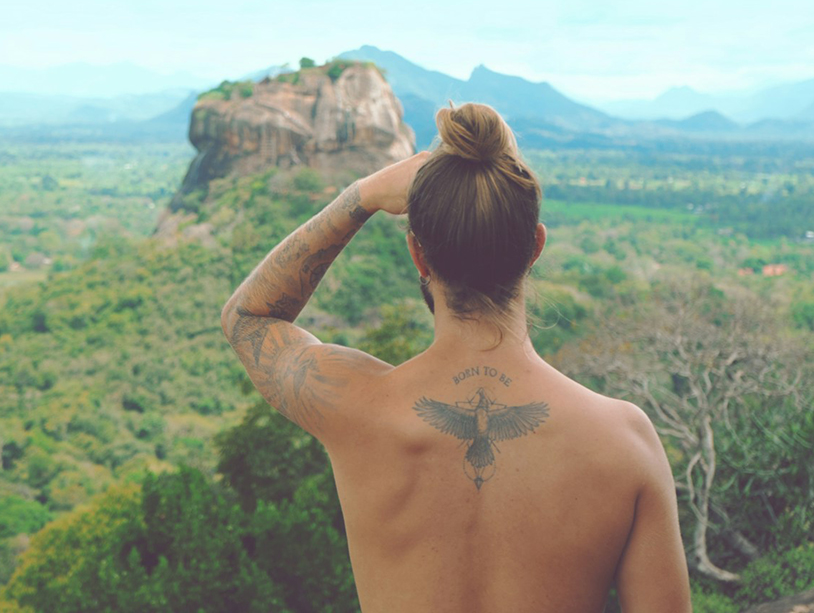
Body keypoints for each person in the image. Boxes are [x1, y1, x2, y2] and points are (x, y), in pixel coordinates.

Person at [221, 102, 691, 612]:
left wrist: (360, 197)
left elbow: (249, 318)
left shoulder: (358, 408)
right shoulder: (624, 442)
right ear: (534, 247)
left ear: (418, 254)